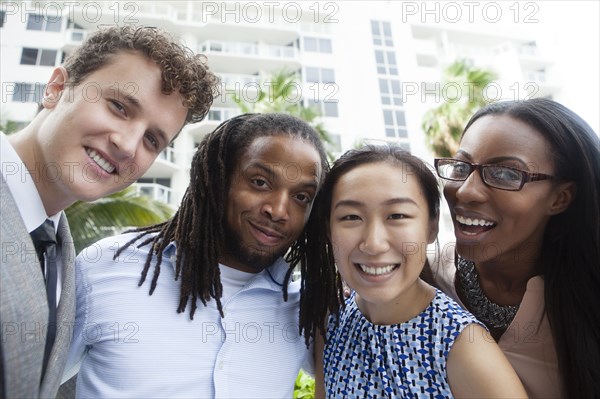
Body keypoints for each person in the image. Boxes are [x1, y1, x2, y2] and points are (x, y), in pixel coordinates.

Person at [0, 25, 218, 398]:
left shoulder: (62, 253)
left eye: (152, 139)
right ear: (56, 89)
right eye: (119, 107)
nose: (127, 145)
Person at [61, 113, 335, 398]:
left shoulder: (304, 308)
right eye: (260, 182)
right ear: (218, 180)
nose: (278, 210)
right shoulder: (108, 266)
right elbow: (26, 379)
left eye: (301, 197)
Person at [308, 144, 527, 398]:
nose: (374, 243)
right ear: (328, 229)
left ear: (432, 227)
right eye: (351, 217)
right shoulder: (332, 320)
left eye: (397, 215)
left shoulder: (463, 347)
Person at [432, 98, 600, 398]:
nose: (466, 191)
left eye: (507, 174)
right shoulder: (424, 279)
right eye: (461, 166)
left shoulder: (587, 301)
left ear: (560, 198)